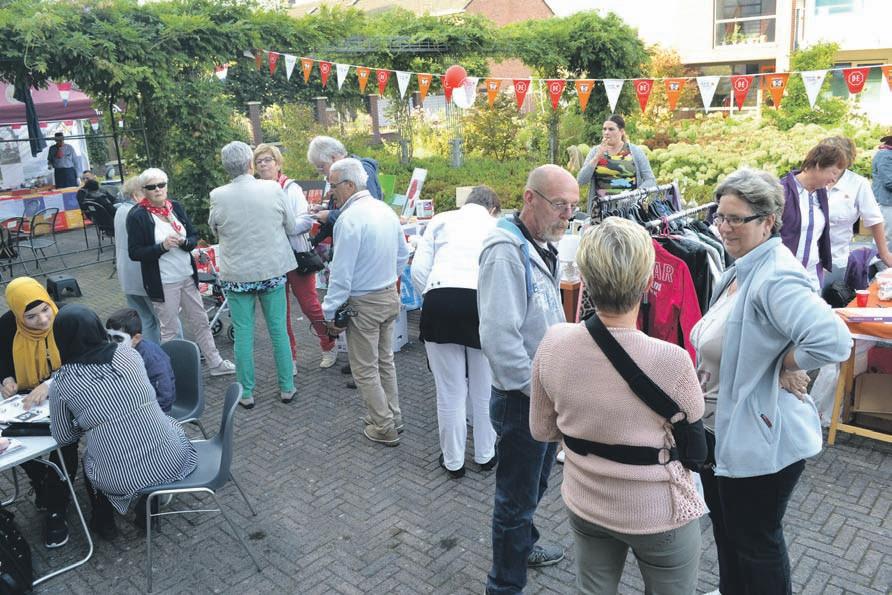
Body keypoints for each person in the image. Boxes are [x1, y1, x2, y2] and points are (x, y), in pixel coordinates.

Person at [690, 168, 851, 595]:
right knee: (728, 531)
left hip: (760, 438)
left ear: (768, 221)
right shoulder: (741, 268)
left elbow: (834, 340)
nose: (724, 228)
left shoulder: (775, 275)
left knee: (756, 543)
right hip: (721, 430)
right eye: (720, 216)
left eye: (736, 219)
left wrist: (783, 362)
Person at [530, 217, 706, 595]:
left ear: (586, 279)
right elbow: (694, 442)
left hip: (587, 502)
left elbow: (542, 430)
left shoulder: (553, 342)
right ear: (646, 282)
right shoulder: (672, 361)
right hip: (659, 515)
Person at [478, 164, 579, 594]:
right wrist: (539, 394)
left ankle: (524, 544)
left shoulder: (537, 244)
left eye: (573, 207)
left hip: (541, 395)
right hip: (523, 400)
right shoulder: (505, 252)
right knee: (515, 499)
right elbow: (499, 341)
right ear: (529, 198)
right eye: (559, 205)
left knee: (533, 485)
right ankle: (504, 585)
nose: (567, 216)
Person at [49, 305, 197, 535]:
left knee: (90, 459)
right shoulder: (128, 354)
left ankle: (103, 522)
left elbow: (63, 436)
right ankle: (148, 508)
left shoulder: (61, 381)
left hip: (120, 479)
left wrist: (87, 423)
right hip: (172, 459)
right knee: (164, 429)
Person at [410, 185, 500, 479]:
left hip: (440, 297)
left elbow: (418, 271)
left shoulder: (440, 220)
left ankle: (453, 461)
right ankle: (486, 455)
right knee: (484, 388)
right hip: (481, 302)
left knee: (450, 391)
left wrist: (431, 297)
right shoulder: (499, 225)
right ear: (492, 208)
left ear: (467, 203)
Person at [320, 158, 409, 446]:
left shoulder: (349, 220)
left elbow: (341, 275)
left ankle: (384, 426)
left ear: (349, 185)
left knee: (365, 368)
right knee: (385, 361)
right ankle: (393, 416)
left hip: (364, 302)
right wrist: (387, 278)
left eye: (333, 185)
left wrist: (328, 312)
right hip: (388, 295)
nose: (331, 191)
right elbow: (402, 255)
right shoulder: (385, 210)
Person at [209, 141, 297, 408]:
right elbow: (291, 224)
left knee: (244, 335)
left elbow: (214, 229)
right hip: (271, 269)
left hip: (238, 274)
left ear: (226, 167)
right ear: (250, 163)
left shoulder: (218, 195)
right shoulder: (272, 188)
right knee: (278, 330)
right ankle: (287, 387)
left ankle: (246, 392)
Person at [126, 167, 235, 377]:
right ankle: (171, 373)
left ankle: (215, 363)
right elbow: (135, 252)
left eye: (161, 185)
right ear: (144, 190)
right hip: (163, 281)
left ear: (166, 186)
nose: (158, 190)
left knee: (201, 321)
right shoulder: (138, 215)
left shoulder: (174, 207)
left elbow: (193, 236)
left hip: (187, 276)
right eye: (151, 187)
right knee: (170, 330)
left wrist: (185, 242)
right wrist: (162, 247)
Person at [0, 277, 77, 548]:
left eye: (45, 310)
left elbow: (82, 361)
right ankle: (41, 480)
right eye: (30, 317)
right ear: (17, 314)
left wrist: (49, 384)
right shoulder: (7, 325)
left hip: (67, 391)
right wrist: (6, 379)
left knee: (65, 441)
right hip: (25, 399)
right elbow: (1, 360)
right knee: (13, 439)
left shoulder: (67, 317)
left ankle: (57, 508)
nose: (43, 320)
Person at [253, 143, 337, 370]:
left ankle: (329, 344)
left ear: (278, 163)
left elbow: (305, 221)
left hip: (296, 256)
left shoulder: (291, 188)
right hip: (272, 260)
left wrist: (280, 227)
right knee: (280, 312)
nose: (264, 164)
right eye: (259, 161)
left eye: (268, 160)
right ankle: (289, 357)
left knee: (310, 305)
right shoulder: (255, 192)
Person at [820, 136, 892, 286]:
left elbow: (874, 219)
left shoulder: (858, 183)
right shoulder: (811, 180)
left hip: (836, 259)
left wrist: (884, 253)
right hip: (803, 260)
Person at [778, 142, 848, 290]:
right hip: (783, 275)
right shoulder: (782, 191)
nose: (834, 180)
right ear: (818, 165)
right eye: (833, 173)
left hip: (812, 274)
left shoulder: (821, 193)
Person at [306, 135, 384, 242]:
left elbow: (368, 215)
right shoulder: (339, 176)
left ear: (333, 158)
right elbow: (343, 209)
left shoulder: (361, 171)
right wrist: (324, 211)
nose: (321, 172)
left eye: (321, 167)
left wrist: (330, 215)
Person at [576, 114, 656, 216]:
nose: (606, 133)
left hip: (629, 211)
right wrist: (596, 158)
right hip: (601, 212)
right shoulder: (595, 151)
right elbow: (581, 180)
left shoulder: (635, 151)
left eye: (611, 129)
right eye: (604, 129)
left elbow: (650, 180)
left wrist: (634, 196)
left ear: (621, 132)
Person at [106, 308, 176, 414]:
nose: (111, 343)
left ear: (136, 338)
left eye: (118, 339)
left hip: (156, 409)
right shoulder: (121, 351)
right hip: (133, 402)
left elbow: (164, 396)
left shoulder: (152, 358)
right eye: (109, 337)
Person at [872, 134, 892, 253]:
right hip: (887, 203)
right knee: (886, 238)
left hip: (887, 202)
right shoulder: (886, 155)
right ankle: (881, 264)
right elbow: (889, 181)